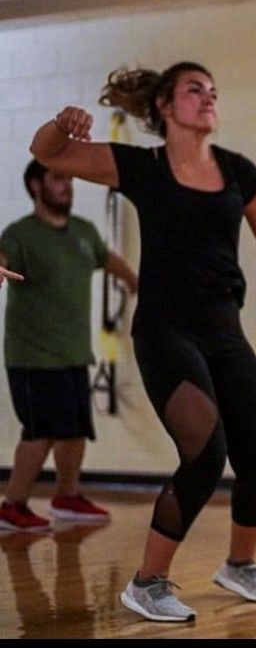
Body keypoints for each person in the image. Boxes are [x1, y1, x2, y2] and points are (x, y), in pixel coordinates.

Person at [29, 62, 256, 623]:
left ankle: (241, 565)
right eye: (195, 90)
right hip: (166, 329)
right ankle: (147, 583)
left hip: (224, 327)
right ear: (165, 106)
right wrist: (59, 124)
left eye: (214, 91)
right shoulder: (141, 166)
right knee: (205, 454)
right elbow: (49, 154)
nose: (208, 98)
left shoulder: (238, 172)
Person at [0, 160, 138, 533]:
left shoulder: (83, 231)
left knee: (75, 429)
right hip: (32, 357)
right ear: (35, 185)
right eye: (58, 179)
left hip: (73, 353)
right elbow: (3, 256)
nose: (67, 186)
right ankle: (12, 506)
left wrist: (132, 280)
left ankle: (67, 495)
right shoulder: (21, 235)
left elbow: (104, 257)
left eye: (69, 179)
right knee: (40, 431)